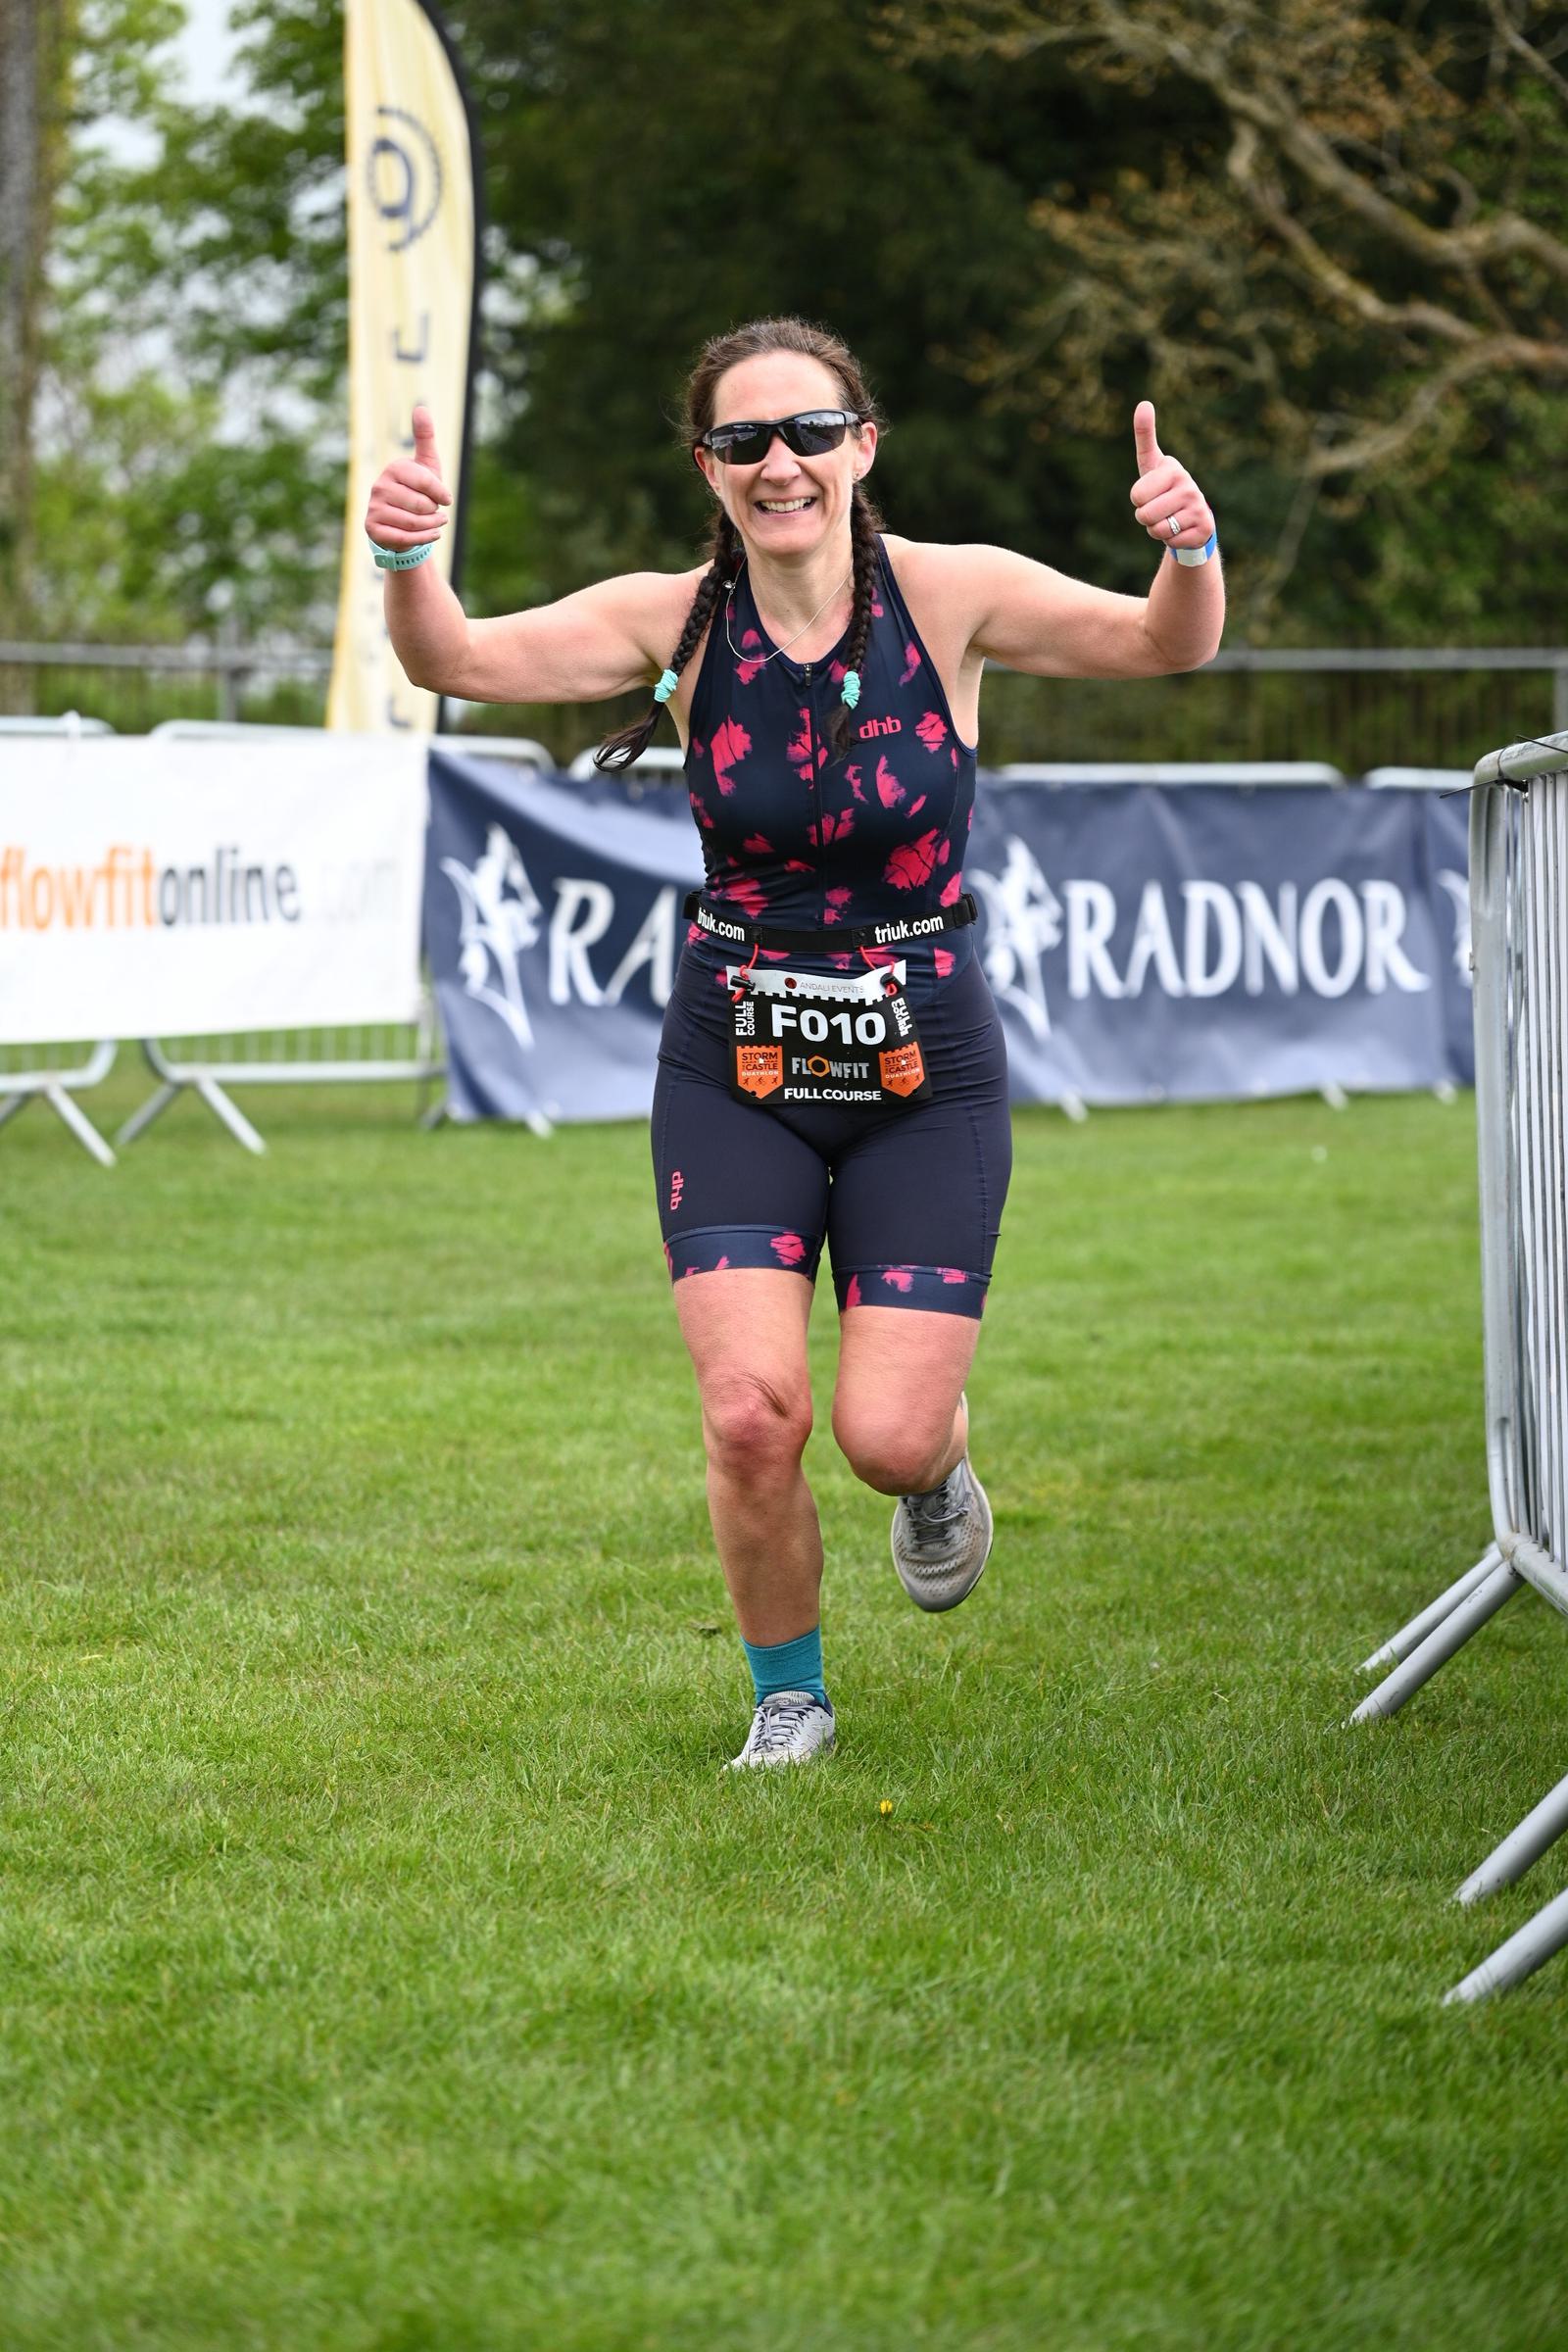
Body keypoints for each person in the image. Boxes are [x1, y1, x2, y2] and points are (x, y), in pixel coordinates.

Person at [366, 317, 1222, 1771]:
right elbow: (453, 655)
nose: (781, 464)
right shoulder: (675, 620)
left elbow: (1162, 645)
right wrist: (407, 560)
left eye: (811, 433)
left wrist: (1186, 549)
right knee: (754, 1414)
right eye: (745, 440)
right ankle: (790, 1695)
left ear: (862, 445)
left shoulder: (948, 599)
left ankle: (940, 1464)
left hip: (921, 1067)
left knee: (884, 1434)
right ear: (708, 467)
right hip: (737, 1063)